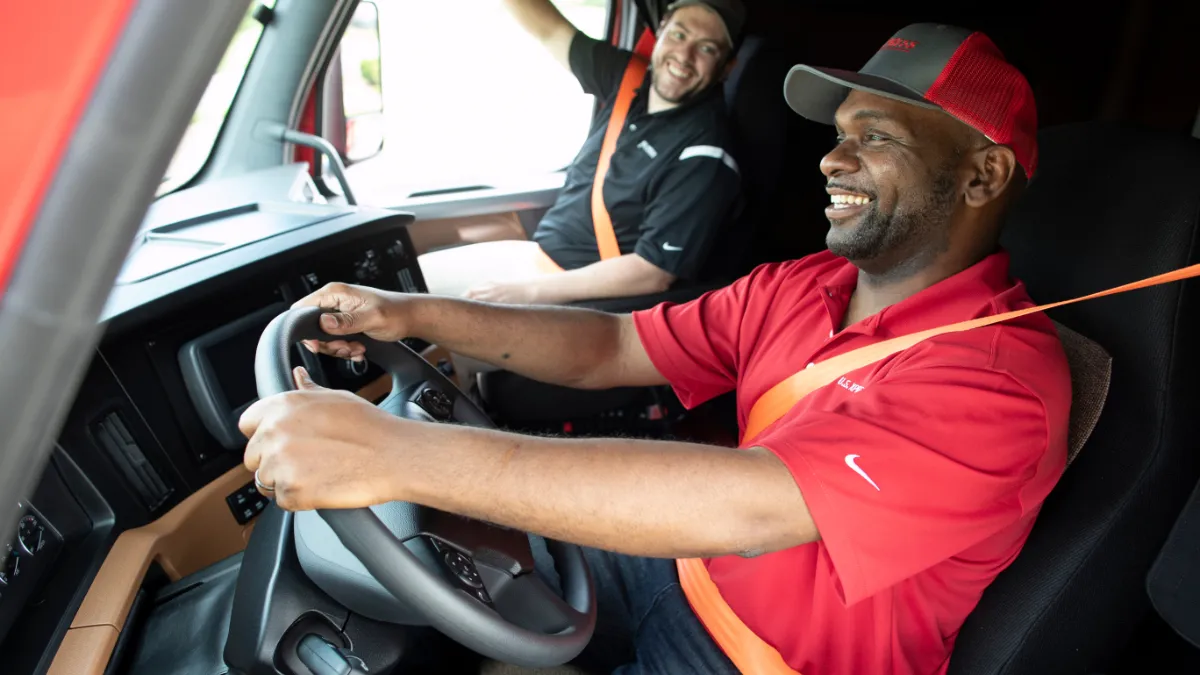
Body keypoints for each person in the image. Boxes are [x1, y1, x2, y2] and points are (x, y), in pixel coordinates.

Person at [240, 23, 1070, 675]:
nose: (832, 156)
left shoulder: (1003, 386)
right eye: (840, 131)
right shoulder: (802, 284)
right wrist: (415, 313)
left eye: (877, 136)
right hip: (684, 568)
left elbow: (746, 507)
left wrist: (403, 453)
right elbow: (609, 346)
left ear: (982, 176)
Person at [417, 0, 744, 306]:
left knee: (405, 318)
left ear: (726, 67)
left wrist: (524, 293)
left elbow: (653, 272)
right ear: (660, 31)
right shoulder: (629, 79)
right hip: (535, 260)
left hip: (579, 300)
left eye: (706, 48)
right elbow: (549, 30)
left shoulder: (705, 154)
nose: (684, 55)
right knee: (399, 282)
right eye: (678, 34)